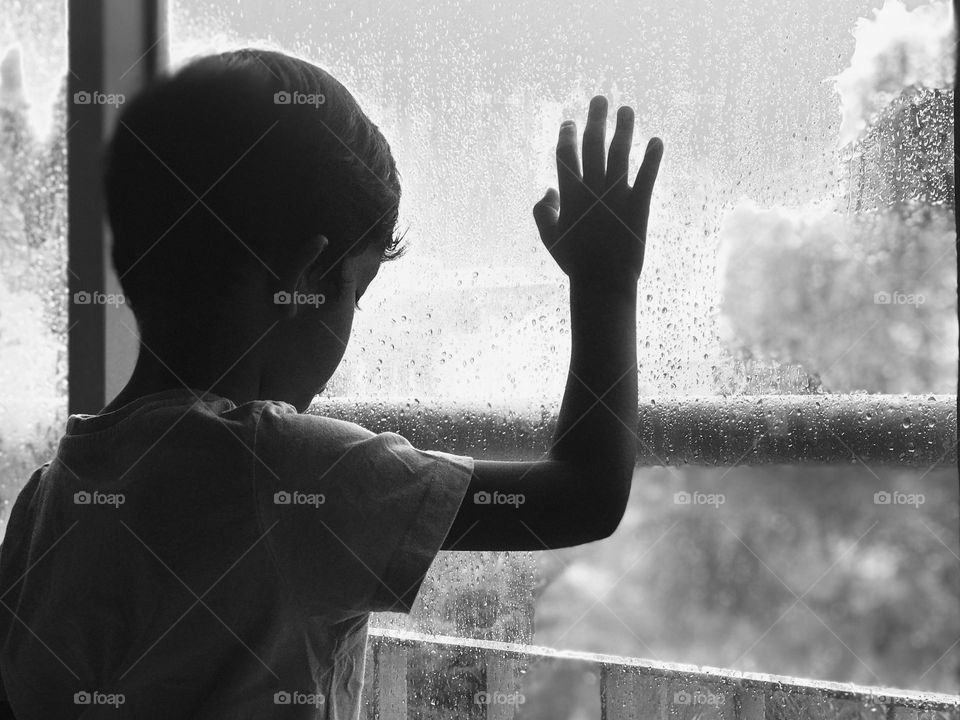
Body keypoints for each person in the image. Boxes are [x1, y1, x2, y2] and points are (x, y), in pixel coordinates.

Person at [0, 49, 662, 719]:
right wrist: (605, 285)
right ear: (305, 280)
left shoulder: (53, 494)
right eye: (358, 290)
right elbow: (585, 494)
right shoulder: (291, 472)